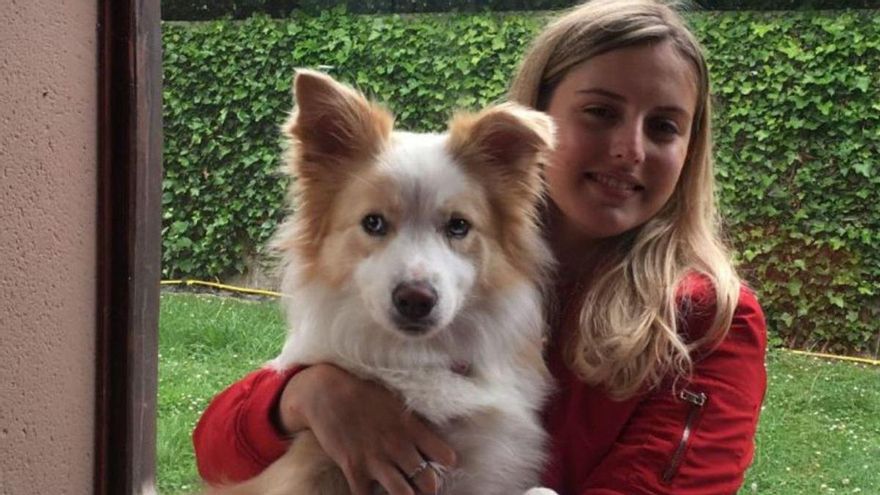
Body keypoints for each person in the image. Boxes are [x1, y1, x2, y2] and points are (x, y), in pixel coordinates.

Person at [192, 0, 768, 494]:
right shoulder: (402, 303)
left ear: (692, 147)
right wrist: (303, 396)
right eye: (599, 112)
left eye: (664, 126)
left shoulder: (708, 318)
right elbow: (215, 451)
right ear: (540, 119)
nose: (628, 148)